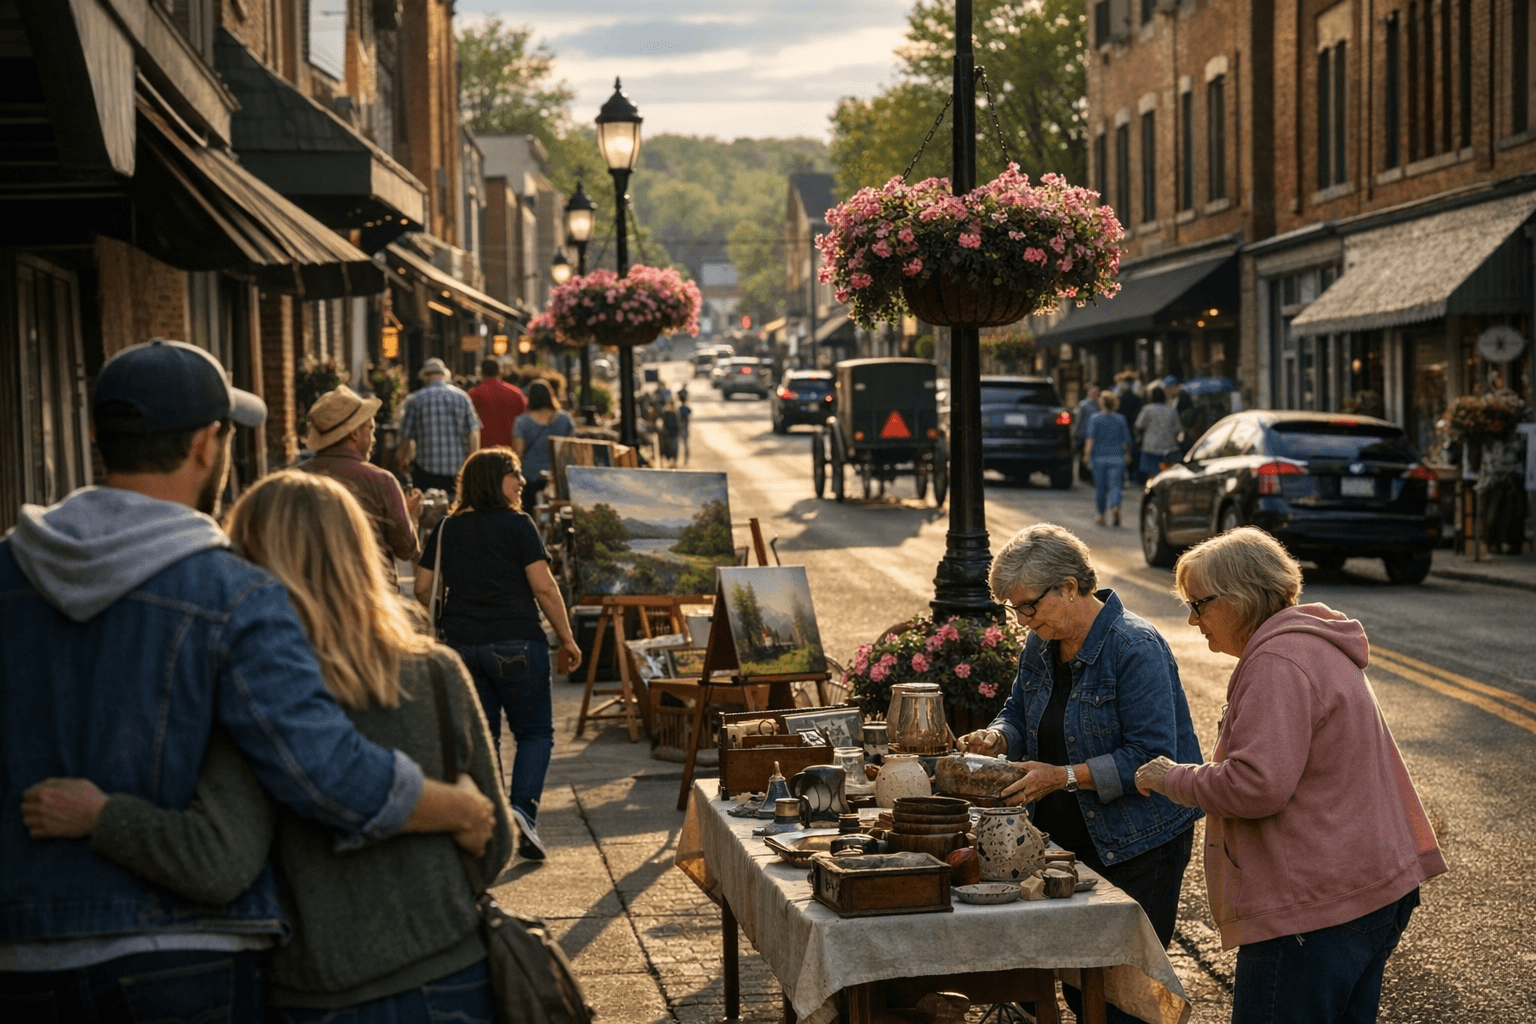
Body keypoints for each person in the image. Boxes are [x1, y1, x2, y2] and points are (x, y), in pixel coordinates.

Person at [1, 340, 491, 1020]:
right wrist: (462, 809)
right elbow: (321, 769)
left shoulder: (9, 571)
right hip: (184, 948)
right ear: (209, 444)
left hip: (22, 942)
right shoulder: (233, 592)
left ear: (96, 436)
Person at [1135, 527, 1445, 1024]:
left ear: (1240, 599)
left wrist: (1171, 777)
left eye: (1199, 604)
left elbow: (1255, 786)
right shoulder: (1309, 646)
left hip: (1316, 906)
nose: (1193, 620)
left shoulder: (1278, 661)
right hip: (1366, 889)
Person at [957, 524, 1203, 1024]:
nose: (1023, 620)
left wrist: (1062, 777)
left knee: (1122, 1001)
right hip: (1068, 842)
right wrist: (999, 737)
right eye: (1013, 609)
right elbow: (1019, 713)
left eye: (1028, 606)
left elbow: (1152, 758)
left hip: (1139, 845)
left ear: (1070, 587)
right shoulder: (1042, 645)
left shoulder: (1135, 647)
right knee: (1078, 988)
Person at [416, 447, 583, 862]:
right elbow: (543, 586)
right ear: (494, 479)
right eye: (514, 474)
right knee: (534, 733)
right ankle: (522, 811)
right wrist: (567, 637)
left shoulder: (447, 529)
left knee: (484, 737)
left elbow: (422, 586)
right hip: (516, 642)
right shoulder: (518, 524)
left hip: (462, 645)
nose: (523, 481)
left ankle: (493, 826)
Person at [299, 384, 422, 584]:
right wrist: (411, 517)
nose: (373, 439)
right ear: (355, 434)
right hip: (371, 597)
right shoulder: (381, 480)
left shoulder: (293, 478)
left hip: (311, 599)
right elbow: (406, 549)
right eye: (371, 429)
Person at [398, 357, 481, 495]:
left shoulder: (416, 399)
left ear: (425, 376)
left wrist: (402, 461)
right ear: (444, 375)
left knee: (428, 510)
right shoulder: (462, 397)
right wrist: (472, 462)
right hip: (457, 468)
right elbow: (473, 433)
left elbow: (405, 437)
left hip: (426, 469)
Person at [512, 380, 576, 515]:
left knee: (530, 513)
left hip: (530, 475)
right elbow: (571, 448)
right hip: (557, 475)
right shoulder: (565, 419)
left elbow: (518, 452)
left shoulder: (522, 422)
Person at [1083, 391, 1133, 526]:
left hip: (1099, 457)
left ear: (1102, 403)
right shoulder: (1120, 419)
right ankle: (1115, 506)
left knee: (1100, 488)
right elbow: (1126, 440)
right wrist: (1127, 454)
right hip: (1117, 457)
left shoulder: (1095, 418)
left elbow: (1090, 439)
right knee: (1115, 485)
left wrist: (1086, 454)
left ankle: (1101, 515)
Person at [468, 357, 527, 449]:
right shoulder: (515, 393)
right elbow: (524, 418)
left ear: (481, 372)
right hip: (510, 447)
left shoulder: (474, 394)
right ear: (500, 372)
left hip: (483, 448)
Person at [1133, 385, 1183, 480]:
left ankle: (1153, 492)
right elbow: (1178, 429)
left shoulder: (1147, 409)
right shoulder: (1171, 410)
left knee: (1152, 475)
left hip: (1150, 448)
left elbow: (1138, 425)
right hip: (1168, 448)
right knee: (1167, 474)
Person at [1073, 385, 1100, 481]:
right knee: (1083, 454)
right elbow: (1078, 419)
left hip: (1094, 433)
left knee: (1091, 453)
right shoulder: (1083, 404)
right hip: (1083, 432)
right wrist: (1076, 431)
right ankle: (1082, 474)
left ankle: (1089, 474)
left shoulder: (1098, 405)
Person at [659, 399, 681, 467]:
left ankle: (674, 463)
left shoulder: (675, 413)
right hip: (667, 434)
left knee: (674, 449)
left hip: (674, 434)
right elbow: (662, 421)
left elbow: (678, 423)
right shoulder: (665, 413)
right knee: (667, 449)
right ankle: (668, 463)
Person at [677, 387, 693, 464]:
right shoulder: (687, 408)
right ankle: (686, 459)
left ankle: (678, 460)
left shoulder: (679, 408)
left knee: (678, 444)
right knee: (686, 444)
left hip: (680, 428)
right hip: (685, 427)